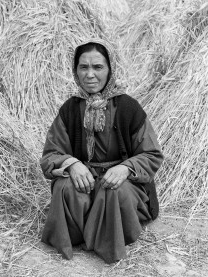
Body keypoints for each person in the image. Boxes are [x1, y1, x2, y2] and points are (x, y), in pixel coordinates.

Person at [40, 38, 164, 264]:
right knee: (65, 187)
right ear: (75, 71)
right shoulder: (70, 109)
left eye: (98, 67)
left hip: (119, 183)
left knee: (114, 191)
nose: (90, 74)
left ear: (110, 70)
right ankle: (79, 235)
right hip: (85, 181)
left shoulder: (128, 108)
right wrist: (72, 164)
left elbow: (152, 154)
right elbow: (51, 154)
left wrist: (126, 168)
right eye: (83, 67)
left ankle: (107, 239)